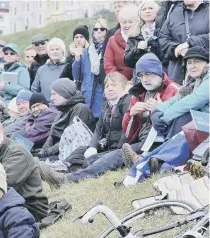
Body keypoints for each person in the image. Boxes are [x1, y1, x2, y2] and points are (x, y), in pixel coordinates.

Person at [39, 53, 179, 188]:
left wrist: (160, 110)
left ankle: (66, 179)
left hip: (157, 143)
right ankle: (63, 171)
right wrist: (132, 115)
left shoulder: (173, 90)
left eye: (148, 73)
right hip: (139, 142)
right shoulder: (138, 94)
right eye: (141, 75)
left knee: (111, 157)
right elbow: (127, 132)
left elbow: (177, 128)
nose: (145, 79)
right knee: (91, 157)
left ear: (158, 72)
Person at [0, 116, 49, 221]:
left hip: (29, 209)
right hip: (4, 206)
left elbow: (1, 188)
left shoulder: (17, 152)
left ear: (0, 132)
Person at [151, 47, 209, 138]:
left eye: (197, 61)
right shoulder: (192, 83)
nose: (192, 66)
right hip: (202, 126)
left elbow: (192, 102)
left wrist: (163, 118)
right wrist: (157, 112)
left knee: (186, 115)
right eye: (189, 63)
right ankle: (150, 152)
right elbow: (175, 100)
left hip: (206, 126)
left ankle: (165, 151)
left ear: (207, 64)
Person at [38, 78, 96, 162]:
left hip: (71, 153)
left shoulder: (80, 108)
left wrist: (48, 152)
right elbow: (52, 135)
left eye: (54, 94)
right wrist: (44, 150)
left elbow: (70, 138)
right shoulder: (62, 110)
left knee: (37, 163)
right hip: (59, 150)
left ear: (64, 93)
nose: (51, 98)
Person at [159, 0, 209, 84]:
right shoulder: (175, 13)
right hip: (177, 73)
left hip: (205, 72)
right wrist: (176, 48)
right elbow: (162, 38)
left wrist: (189, 43)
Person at [72, 25, 105, 119]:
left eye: (102, 30)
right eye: (95, 29)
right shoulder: (86, 52)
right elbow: (77, 77)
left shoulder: (106, 49)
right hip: (87, 95)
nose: (99, 32)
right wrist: (77, 59)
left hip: (100, 94)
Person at [124, 0, 162, 78]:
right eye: (144, 9)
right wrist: (136, 49)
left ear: (157, 12)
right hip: (140, 76)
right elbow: (127, 61)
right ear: (140, 14)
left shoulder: (164, 30)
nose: (147, 11)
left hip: (160, 73)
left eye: (151, 8)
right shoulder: (133, 34)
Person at [104, 6, 138, 82]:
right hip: (121, 83)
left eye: (130, 22)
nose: (127, 25)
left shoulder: (140, 37)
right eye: (124, 22)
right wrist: (121, 81)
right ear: (120, 23)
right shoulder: (112, 40)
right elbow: (109, 65)